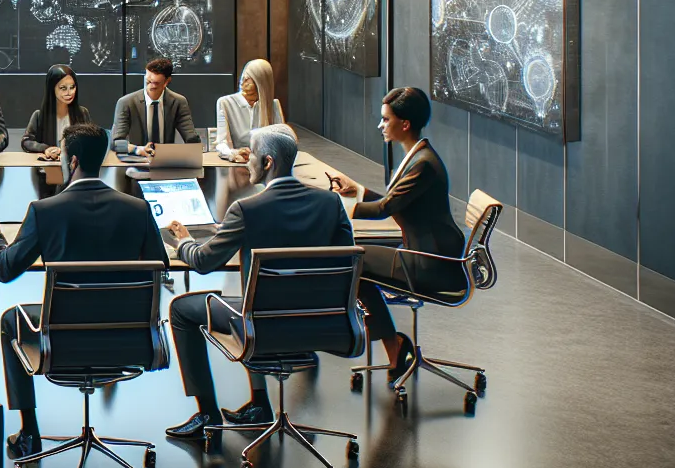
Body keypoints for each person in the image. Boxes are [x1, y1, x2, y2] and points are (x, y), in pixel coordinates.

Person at [0, 124, 165, 457]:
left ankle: (29, 433)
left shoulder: (45, 211)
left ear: (72, 161)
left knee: (10, 321)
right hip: (128, 341)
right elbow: (160, 266)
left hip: (61, 344)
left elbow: (4, 269)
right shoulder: (139, 210)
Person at [162, 125, 355, 438]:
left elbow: (203, 261)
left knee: (183, 309)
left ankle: (207, 414)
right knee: (256, 301)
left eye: (251, 155)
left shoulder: (246, 210)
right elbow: (346, 261)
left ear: (267, 162)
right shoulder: (330, 204)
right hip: (322, 325)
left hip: (264, 327)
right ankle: (259, 404)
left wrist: (184, 241)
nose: (246, 161)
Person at [326, 86, 468, 384]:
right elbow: (395, 202)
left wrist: (339, 207)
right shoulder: (419, 155)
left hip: (430, 263)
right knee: (359, 261)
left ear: (404, 124)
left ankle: (392, 344)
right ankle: (394, 346)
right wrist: (358, 191)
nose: (381, 125)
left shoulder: (423, 165)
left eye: (386, 119)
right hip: (424, 251)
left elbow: (384, 209)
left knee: (355, 260)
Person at [111, 57, 202, 154]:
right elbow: (115, 143)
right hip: (137, 158)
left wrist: (196, 149)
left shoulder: (178, 102)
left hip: (166, 158)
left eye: (155, 83)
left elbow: (191, 138)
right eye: (147, 82)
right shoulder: (126, 103)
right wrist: (136, 149)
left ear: (166, 82)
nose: (150, 86)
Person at [216, 59, 285, 161]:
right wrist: (233, 154)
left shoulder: (273, 105)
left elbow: (283, 141)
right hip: (239, 162)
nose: (243, 81)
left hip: (266, 162)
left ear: (260, 82)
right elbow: (221, 142)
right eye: (243, 76)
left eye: (249, 78)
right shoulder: (225, 103)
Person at [21, 63, 92, 160]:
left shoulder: (82, 113)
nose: (69, 93)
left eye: (72, 87)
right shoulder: (39, 116)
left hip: (74, 166)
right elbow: (26, 141)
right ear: (52, 88)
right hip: (47, 166)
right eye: (63, 88)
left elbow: (92, 141)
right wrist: (45, 148)